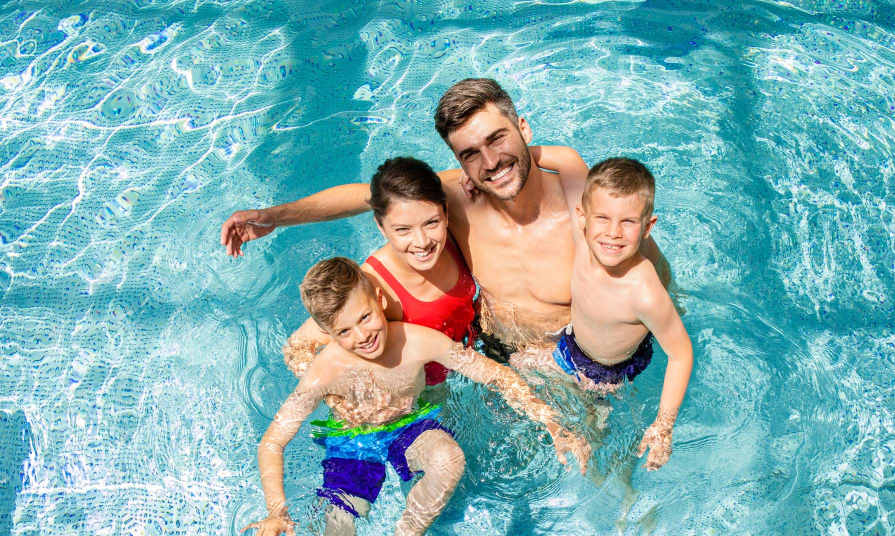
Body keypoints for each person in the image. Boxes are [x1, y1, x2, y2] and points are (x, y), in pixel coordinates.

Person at [242, 258, 589, 536]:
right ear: (328, 334)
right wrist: (276, 511)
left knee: (449, 458)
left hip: (407, 425)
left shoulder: (417, 342)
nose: (362, 336)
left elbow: (493, 374)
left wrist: (551, 421)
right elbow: (273, 442)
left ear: (380, 298)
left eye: (365, 318)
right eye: (343, 332)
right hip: (353, 444)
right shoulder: (324, 371)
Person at [220, 78, 671, 360]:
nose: (491, 162)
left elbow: (646, 266)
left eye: (498, 139)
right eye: (470, 154)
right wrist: (273, 217)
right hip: (494, 355)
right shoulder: (455, 198)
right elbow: (368, 195)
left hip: (582, 359)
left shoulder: (579, 199)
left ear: (525, 131)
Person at [513, 158, 693, 471]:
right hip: (569, 348)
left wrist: (663, 427)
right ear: (582, 217)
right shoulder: (583, 242)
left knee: (594, 444)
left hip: (606, 376)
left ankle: (619, 489)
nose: (613, 233)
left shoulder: (643, 291)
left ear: (648, 227)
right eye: (604, 218)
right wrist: (506, 162)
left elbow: (681, 355)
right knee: (514, 366)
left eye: (628, 222)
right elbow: (567, 166)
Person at [283, 157, 477, 390]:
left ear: (445, 213)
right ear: (380, 226)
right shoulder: (374, 285)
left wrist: (534, 155)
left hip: (471, 356)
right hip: (424, 392)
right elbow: (297, 347)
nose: (422, 241)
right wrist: (338, 392)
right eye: (403, 230)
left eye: (431, 223)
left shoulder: (454, 238)